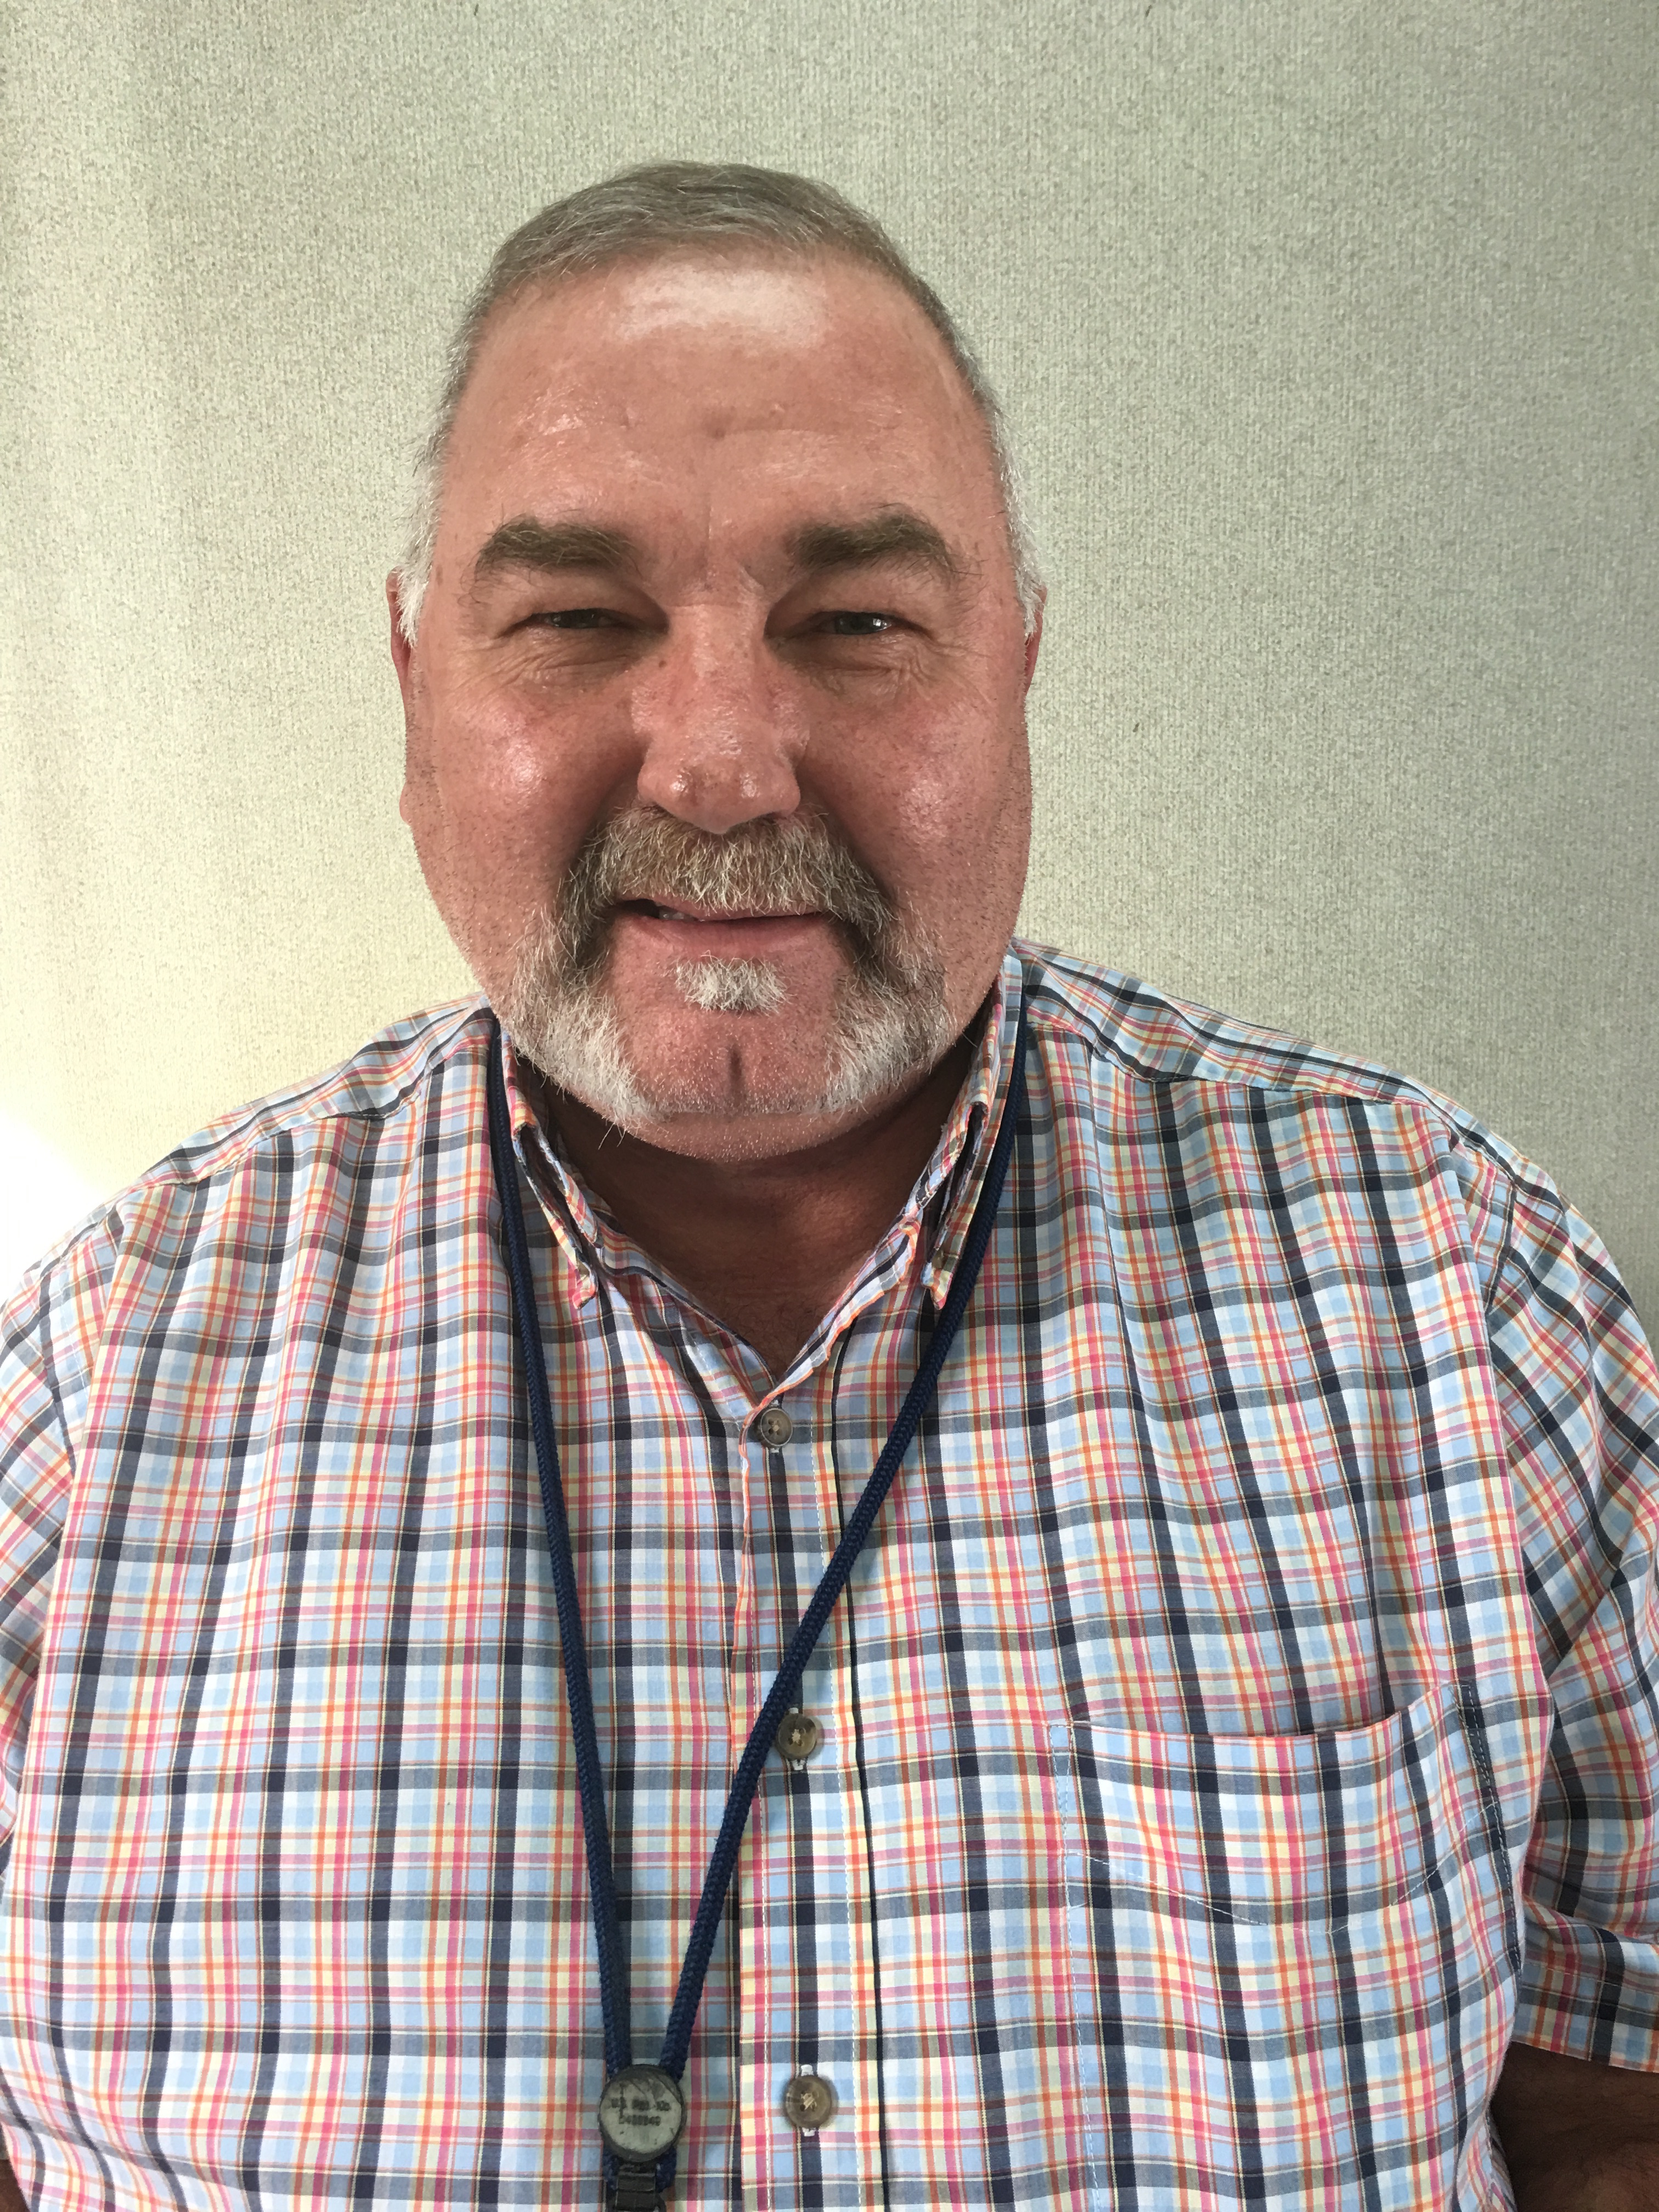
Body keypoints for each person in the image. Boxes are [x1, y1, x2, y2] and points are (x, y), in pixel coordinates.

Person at [0, 161, 1655, 2212]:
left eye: (858, 623)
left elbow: (1617, 2118)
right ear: (416, 683)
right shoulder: (96, 1379)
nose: (719, 762)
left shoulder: (1460, 1298)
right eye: (577, 621)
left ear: (1017, 665)